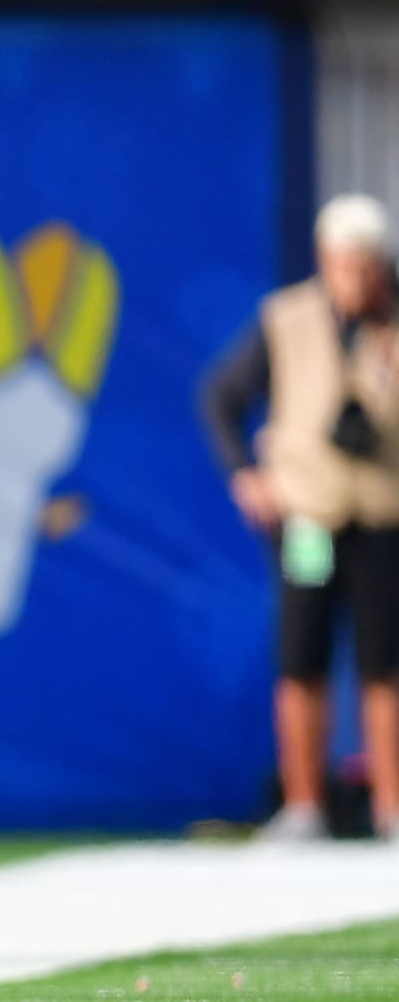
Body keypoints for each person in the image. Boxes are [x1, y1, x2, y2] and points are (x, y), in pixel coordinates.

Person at [203, 193, 399, 843]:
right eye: (348, 265)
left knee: (385, 662)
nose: (359, 279)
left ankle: (391, 807)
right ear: (325, 260)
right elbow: (221, 396)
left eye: (369, 266)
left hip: (381, 514)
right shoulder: (286, 318)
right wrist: (247, 475)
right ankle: (305, 804)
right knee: (302, 655)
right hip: (310, 515)